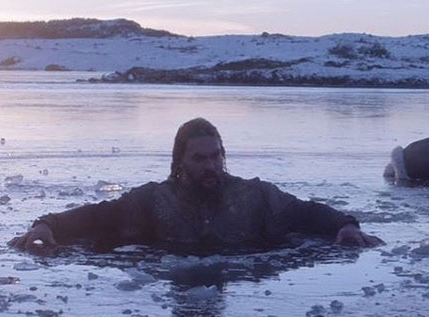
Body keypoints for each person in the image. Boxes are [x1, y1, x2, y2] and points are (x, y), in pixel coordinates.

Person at [9, 118, 382, 252]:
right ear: (180, 162)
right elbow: (100, 216)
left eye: (215, 156)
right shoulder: (155, 199)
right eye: (199, 159)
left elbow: (304, 211)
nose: (210, 166)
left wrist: (345, 225)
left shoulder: (253, 194)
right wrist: (49, 224)